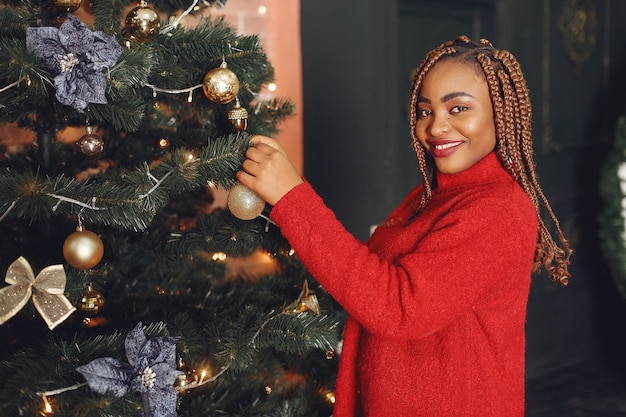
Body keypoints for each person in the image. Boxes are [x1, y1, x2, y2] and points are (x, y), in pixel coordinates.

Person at [237, 35, 572, 417]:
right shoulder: (433, 194)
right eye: (425, 111)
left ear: (501, 113)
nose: (436, 127)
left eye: (458, 108)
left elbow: (398, 306)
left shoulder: (499, 208)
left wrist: (293, 197)